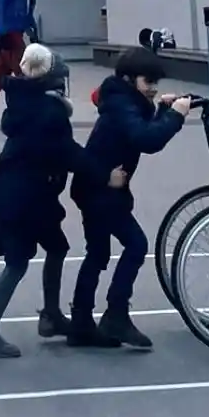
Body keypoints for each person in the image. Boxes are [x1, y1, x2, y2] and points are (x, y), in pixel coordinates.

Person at [0, 43, 122, 358]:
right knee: (17, 263)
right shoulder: (48, 110)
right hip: (23, 195)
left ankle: (51, 315)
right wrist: (103, 174)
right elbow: (66, 152)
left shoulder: (23, 102)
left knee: (57, 246)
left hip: (27, 191)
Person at [68, 45, 192, 349]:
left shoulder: (122, 100)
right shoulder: (122, 104)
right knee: (136, 245)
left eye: (155, 83)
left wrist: (162, 110)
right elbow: (146, 139)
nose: (153, 88)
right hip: (100, 189)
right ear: (128, 79)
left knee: (98, 253)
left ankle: (82, 321)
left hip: (94, 188)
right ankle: (115, 314)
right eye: (148, 82)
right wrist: (175, 117)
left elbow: (140, 128)